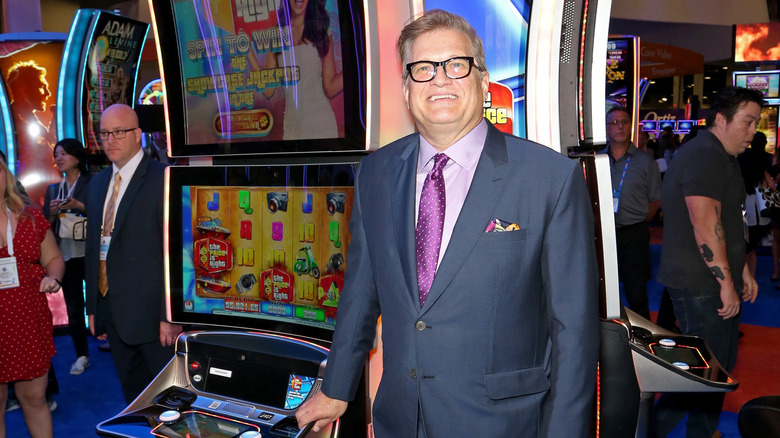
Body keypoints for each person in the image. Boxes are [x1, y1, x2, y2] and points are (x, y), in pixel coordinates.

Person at [295, 9, 599, 437]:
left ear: (481, 78)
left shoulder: (548, 178)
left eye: (456, 65)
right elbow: (361, 292)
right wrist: (336, 386)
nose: (440, 79)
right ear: (406, 87)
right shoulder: (375, 174)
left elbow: (574, 332)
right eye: (423, 68)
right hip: (401, 420)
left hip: (502, 424)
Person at [653, 86, 763, 437]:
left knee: (713, 369)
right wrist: (725, 283)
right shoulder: (704, 155)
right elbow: (704, 225)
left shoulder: (722, 155)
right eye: (747, 122)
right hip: (702, 286)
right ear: (720, 119)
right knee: (703, 374)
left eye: (755, 123)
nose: (753, 132)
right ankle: (651, 431)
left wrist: (742, 269)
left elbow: (728, 219)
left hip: (710, 281)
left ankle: (702, 431)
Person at [85, 103, 182, 403]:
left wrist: (171, 314)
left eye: (119, 132)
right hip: (112, 310)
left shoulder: (163, 177)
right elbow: (93, 248)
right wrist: (93, 308)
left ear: (138, 134)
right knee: (135, 401)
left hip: (155, 320)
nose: (110, 140)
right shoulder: (98, 182)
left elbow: (176, 251)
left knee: (169, 401)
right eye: (104, 134)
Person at [0, 158, 65, 437]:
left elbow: (53, 258)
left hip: (28, 319)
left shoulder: (30, 216)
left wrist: (53, 278)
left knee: (35, 398)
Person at [601, 106, 662, 320]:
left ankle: (642, 341)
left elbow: (655, 199)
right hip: (602, 235)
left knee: (636, 292)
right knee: (602, 291)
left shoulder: (645, 162)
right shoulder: (596, 160)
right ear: (606, 128)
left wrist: (637, 221)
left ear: (631, 127)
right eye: (614, 123)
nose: (619, 126)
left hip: (634, 234)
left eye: (624, 122)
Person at [250, 0, 343, 140]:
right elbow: (268, 89)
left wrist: (356, 68)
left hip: (322, 124)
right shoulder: (277, 33)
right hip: (292, 127)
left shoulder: (319, 30)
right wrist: (248, 54)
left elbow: (330, 87)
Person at [42, 138, 92, 375]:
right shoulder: (53, 189)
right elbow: (46, 226)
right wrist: (52, 214)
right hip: (66, 254)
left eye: (63, 154)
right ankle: (82, 355)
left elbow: (104, 215)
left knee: (100, 301)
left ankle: (111, 339)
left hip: (91, 253)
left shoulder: (93, 183)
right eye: (56, 155)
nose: (59, 158)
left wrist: (79, 205)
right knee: (73, 306)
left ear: (77, 157)